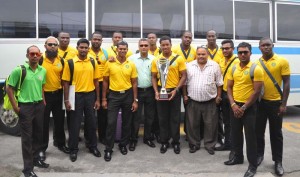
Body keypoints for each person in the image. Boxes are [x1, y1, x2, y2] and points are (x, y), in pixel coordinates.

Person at [6, 45, 48, 177]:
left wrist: (43, 100)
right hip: (26, 107)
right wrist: (15, 107)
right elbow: (9, 88)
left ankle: (36, 160)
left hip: (39, 106)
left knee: (38, 135)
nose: (35, 56)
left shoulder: (43, 70)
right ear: (27, 56)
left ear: (40, 55)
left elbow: (42, 86)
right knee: (27, 139)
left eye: (37, 54)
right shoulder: (20, 70)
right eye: (32, 54)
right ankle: (28, 169)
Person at [224, 42, 264, 177]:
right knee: (235, 134)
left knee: (250, 137)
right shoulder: (234, 68)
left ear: (250, 53)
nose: (242, 54)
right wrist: (233, 105)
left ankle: (252, 166)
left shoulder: (256, 69)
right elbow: (229, 87)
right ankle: (238, 157)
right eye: (240, 52)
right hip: (235, 106)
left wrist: (244, 107)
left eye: (245, 52)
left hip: (249, 108)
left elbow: (256, 92)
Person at [62, 38, 101, 162]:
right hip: (76, 96)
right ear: (77, 48)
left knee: (91, 123)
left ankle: (92, 146)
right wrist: (66, 100)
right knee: (75, 124)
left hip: (90, 95)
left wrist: (98, 99)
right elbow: (66, 82)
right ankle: (73, 150)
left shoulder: (93, 61)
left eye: (85, 47)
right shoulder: (70, 63)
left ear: (88, 49)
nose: (83, 49)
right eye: (81, 47)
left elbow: (96, 82)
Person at [256, 37, 290, 176]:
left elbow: (287, 83)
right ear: (259, 47)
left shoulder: (282, 61)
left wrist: (283, 104)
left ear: (273, 45)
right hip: (260, 104)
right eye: (263, 45)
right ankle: (259, 155)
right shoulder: (257, 62)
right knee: (258, 132)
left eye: (268, 45)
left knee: (276, 134)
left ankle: (278, 162)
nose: (266, 47)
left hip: (276, 104)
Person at [102, 41, 138, 162]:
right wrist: (104, 98)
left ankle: (123, 145)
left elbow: (134, 83)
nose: (122, 51)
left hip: (127, 95)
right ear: (117, 49)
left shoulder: (131, 64)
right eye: (120, 49)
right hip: (113, 95)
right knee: (111, 123)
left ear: (127, 50)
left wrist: (135, 100)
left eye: (124, 49)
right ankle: (108, 149)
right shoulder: (110, 63)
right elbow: (105, 81)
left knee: (127, 122)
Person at [183, 46, 223, 155]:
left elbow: (219, 83)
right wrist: (185, 95)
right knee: (192, 124)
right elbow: (184, 83)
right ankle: (194, 144)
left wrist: (218, 96)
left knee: (211, 125)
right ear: (196, 55)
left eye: (203, 54)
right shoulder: (189, 66)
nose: (201, 56)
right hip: (193, 101)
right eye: (199, 54)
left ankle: (209, 145)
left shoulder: (214, 66)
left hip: (210, 101)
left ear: (207, 55)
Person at [151, 36, 187, 154]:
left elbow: (184, 76)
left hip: (174, 92)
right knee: (162, 118)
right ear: (160, 46)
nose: (165, 47)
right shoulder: (156, 59)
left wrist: (176, 90)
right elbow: (153, 77)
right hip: (162, 91)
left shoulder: (179, 59)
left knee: (175, 118)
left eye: (167, 44)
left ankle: (176, 142)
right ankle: (164, 142)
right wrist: (156, 91)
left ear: (171, 45)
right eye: (163, 45)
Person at [40, 36, 70, 161]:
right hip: (44, 96)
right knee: (44, 123)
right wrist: (41, 98)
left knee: (59, 121)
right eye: (50, 44)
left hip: (58, 95)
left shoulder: (62, 61)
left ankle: (60, 143)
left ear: (58, 47)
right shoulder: (40, 60)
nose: (52, 46)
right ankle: (41, 148)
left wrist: (66, 99)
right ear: (45, 46)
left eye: (55, 45)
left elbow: (65, 81)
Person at [128, 39, 156, 151]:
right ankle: (133, 139)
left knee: (150, 117)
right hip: (137, 91)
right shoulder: (131, 59)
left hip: (150, 91)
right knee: (136, 117)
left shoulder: (154, 59)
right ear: (138, 47)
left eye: (146, 45)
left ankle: (147, 138)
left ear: (149, 46)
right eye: (141, 45)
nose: (143, 47)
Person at [215, 39, 239, 153]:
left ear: (232, 49)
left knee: (234, 122)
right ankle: (228, 144)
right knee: (226, 121)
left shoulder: (237, 61)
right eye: (223, 48)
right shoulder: (221, 60)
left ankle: (234, 147)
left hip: (233, 95)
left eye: (227, 48)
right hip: (223, 94)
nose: (224, 50)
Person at [88, 31, 109, 144]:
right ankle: (90, 137)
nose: (96, 41)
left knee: (103, 113)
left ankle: (102, 136)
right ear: (91, 40)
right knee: (90, 113)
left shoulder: (105, 53)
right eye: (94, 39)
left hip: (103, 85)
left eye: (98, 39)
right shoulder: (86, 52)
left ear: (101, 41)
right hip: (90, 85)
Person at [206, 30, 224, 147]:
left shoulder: (222, 51)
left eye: (213, 36)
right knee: (205, 115)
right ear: (206, 38)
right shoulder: (202, 50)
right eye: (209, 36)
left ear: (216, 37)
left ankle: (219, 137)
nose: (211, 38)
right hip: (206, 87)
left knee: (218, 116)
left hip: (218, 86)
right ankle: (206, 137)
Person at [147, 32, 161, 143]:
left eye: (153, 37)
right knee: (150, 112)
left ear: (156, 39)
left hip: (160, 85)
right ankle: (150, 132)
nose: (151, 39)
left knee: (159, 111)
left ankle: (158, 132)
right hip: (147, 85)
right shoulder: (142, 51)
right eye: (149, 38)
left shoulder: (161, 51)